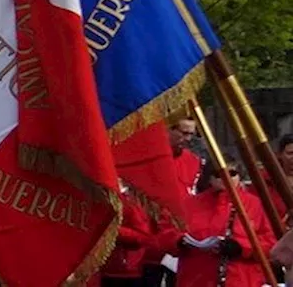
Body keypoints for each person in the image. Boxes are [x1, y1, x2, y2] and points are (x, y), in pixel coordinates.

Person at [160, 153, 276, 286]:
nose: (225, 178)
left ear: (239, 176)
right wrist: (179, 242)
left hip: (240, 280)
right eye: (218, 174)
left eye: (232, 173)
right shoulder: (189, 204)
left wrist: (240, 247)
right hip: (196, 280)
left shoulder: (254, 204)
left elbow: (270, 243)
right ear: (209, 178)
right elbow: (165, 234)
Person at [98, 181, 152, 287]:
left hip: (124, 271)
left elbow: (142, 237)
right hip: (102, 269)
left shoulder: (130, 204)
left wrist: (113, 230)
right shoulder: (101, 197)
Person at [169, 119, 203, 196]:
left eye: (191, 134)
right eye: (184, 133)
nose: (188, 139)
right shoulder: (152, 156)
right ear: (169, 129)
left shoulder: (193, 160)